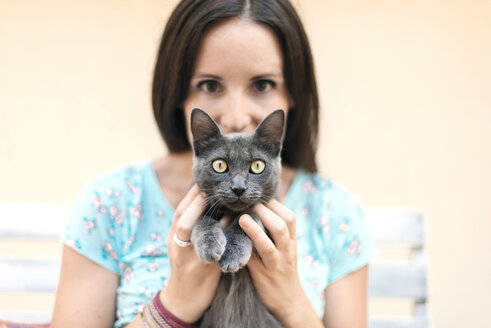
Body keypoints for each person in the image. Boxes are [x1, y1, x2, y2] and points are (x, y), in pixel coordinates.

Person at [51, 0, 376, 327]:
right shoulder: (110, 203)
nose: (236, 117)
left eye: (262, 85)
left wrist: (292, 303)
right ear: (178, 93)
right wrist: (174, 305)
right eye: (210, 85)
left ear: (293, 93)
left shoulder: (335, 212)